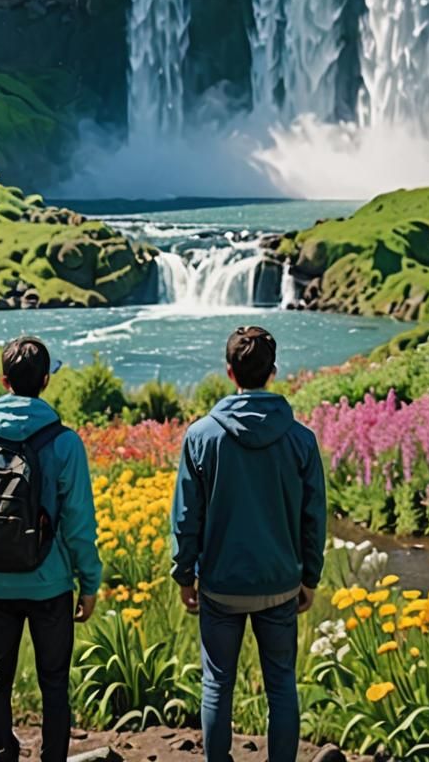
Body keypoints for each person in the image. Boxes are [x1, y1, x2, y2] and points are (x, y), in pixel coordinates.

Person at [170, 325, 327, 762]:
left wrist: (185, 574)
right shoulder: (301, 439)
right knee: (281, 684)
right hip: (280, 583)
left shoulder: (201, 436)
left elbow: (187, 517)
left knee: (217, 683)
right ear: (273, 372)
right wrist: (309, 577)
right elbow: (314, 517)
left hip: (220, 584)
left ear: (229, 372)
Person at [0, 336, 101, 762]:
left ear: (3, 380)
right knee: (54, 681)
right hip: (51, 584)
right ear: (46, 381)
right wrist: (89, 582)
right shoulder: (65, 442)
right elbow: (79, 525)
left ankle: (2, 757)